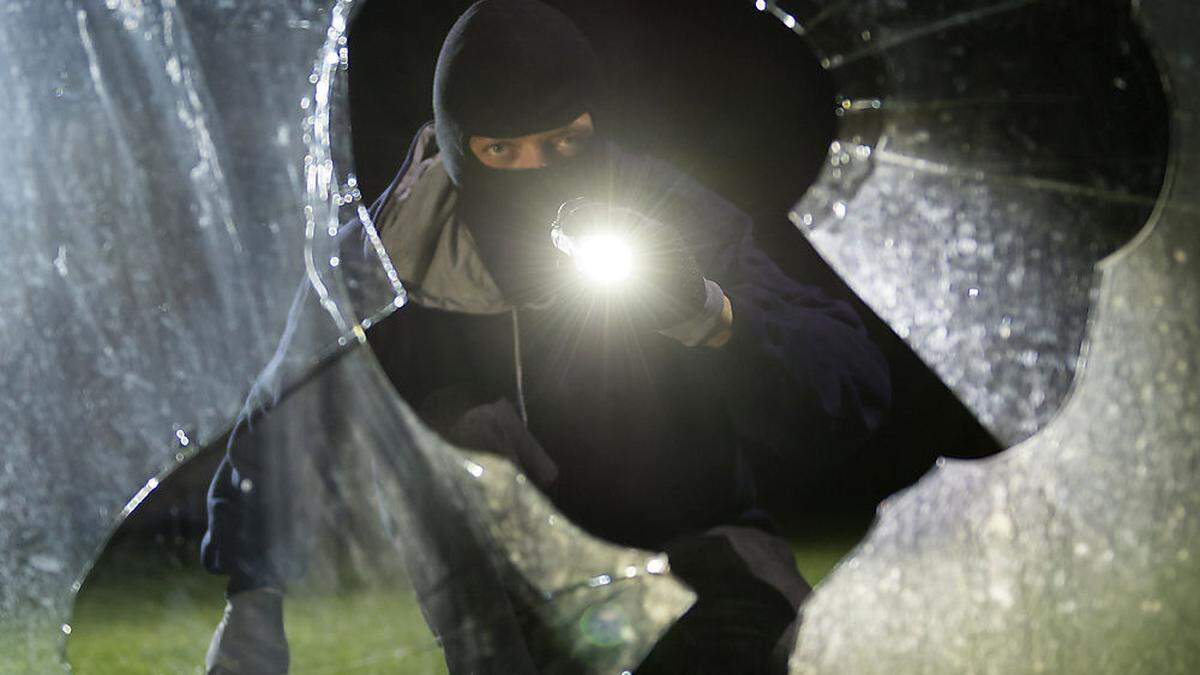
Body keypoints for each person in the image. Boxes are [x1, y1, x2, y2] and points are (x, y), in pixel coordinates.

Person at [202, 1, 890, 673]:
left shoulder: (669, 214)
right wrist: (253, 596)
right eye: (502, 149)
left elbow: (846, 380)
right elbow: (289, 415)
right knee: (458, 425)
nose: (536, 169)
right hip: (505, 601)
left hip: (697, 560)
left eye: (563, 143)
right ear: (456, 142)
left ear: (595, 125)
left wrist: (710, 315)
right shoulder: (387, 262)